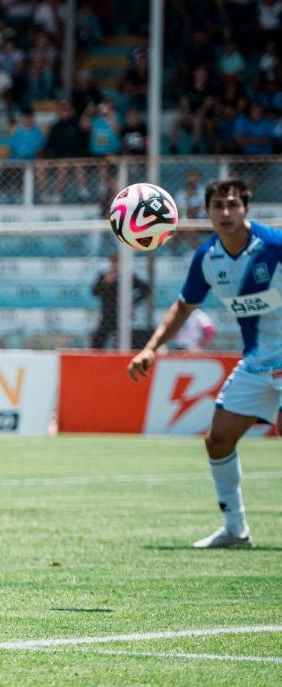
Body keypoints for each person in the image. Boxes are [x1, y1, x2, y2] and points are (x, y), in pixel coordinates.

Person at [128, 179, 280, 548]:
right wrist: (151, 348)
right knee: (218, 440)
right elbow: (183, 307)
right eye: (218, 205)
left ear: (246, 208)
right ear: (207, 211)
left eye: (233, 204)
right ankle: (235, 530)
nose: (226, 212)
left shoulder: (274, 245)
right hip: (257, 363)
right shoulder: (207, 258)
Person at [90, 252, 150, 349]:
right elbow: (95, 292)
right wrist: (105, 283)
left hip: (123, 312)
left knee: (124, 337)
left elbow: (145, 289)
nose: (116, 265)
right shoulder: (105, 276)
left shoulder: (128, 277)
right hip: (108, 312)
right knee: (99, 338)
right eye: (114, 262)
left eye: (118, 262)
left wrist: (133, 301)